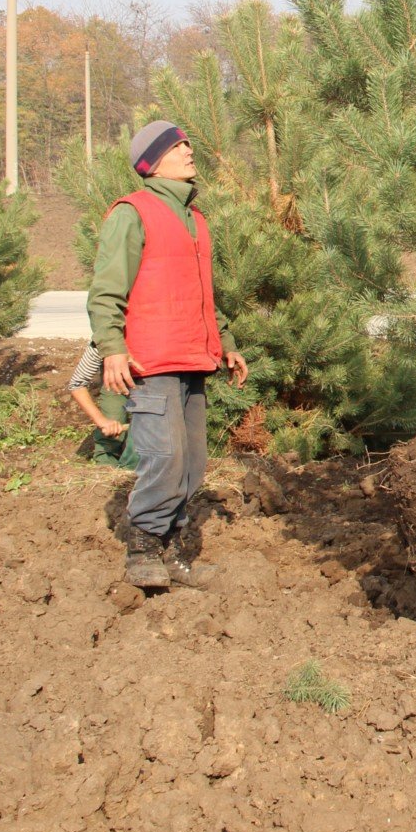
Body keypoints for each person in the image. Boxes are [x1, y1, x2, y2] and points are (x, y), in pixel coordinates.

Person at [90, 119, 248, 590]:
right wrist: (112, 350)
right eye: (177, 146)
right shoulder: (131, 213)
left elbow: (202, 295)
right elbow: (105, 292)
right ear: (154, 162)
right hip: (151, 361)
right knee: (164, 457)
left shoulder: (194, 219)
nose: (188, 149)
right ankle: (142, 549)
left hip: (193, 358)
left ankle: (175, 555)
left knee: (191, 461)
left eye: (186, 142)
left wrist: (227, 345)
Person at [66, 341, 136, 469]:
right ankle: (106, 464)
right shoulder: (102, 343)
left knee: (144, 432)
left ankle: (134, 465)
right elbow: (77, 384)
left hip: (156, 386)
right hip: (117, 385)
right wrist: (101, 420)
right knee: (114, 415)